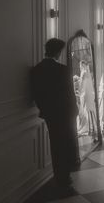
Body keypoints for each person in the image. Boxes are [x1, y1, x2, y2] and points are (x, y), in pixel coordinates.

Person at [31, 38, 79, 198]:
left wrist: (45, 110)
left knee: (56, 147)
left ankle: (61, 179)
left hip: (51, 116)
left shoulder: (36, 69)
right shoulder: (63, 69)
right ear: (58, 52)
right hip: (66, 114)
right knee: (65, 146)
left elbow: (37, 95)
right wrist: (75, 111)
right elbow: (69, 94)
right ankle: (64, 181)